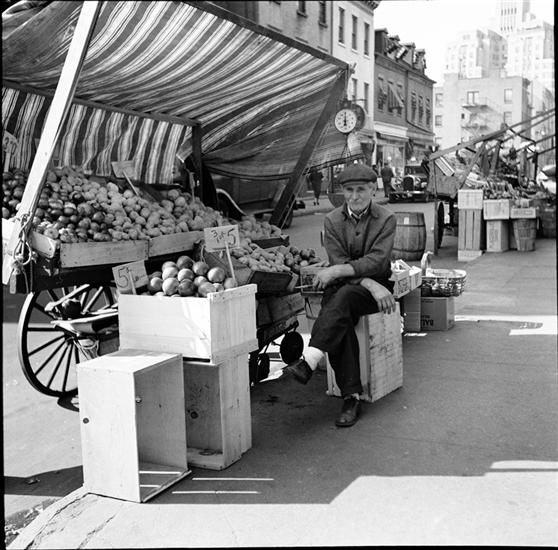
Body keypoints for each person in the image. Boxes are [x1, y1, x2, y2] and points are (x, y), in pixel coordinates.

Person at [283, 163, 397, 427]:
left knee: (340, 300)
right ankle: (351, 397)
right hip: (357, 287)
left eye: (361, 190)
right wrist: (366, 281)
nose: (355, 196)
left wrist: (350, 275)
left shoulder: (386, 218)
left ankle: (310, 360)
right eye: (349, 190)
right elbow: (338, 259)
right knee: (339, 312)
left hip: (377, 288)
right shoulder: (332, 220)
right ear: (342, 192)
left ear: (373, 189)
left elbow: (377, 261)